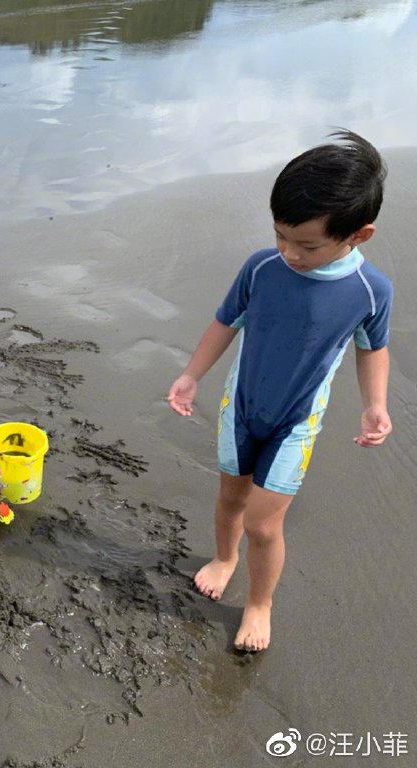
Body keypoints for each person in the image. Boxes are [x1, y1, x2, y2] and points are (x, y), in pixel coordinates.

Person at [167, 130, 393, 652]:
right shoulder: (262, 267)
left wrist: (374, 405)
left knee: (264, 523)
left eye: (307, 245)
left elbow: (372, 348)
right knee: (230, 497)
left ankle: (259, 603)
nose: (289, 252)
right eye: (280, 236)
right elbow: (226, 321)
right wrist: (192, 373)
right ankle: (225, 558)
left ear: (359, 235)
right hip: (242, 406)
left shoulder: (368, 291)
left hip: (296, 421)